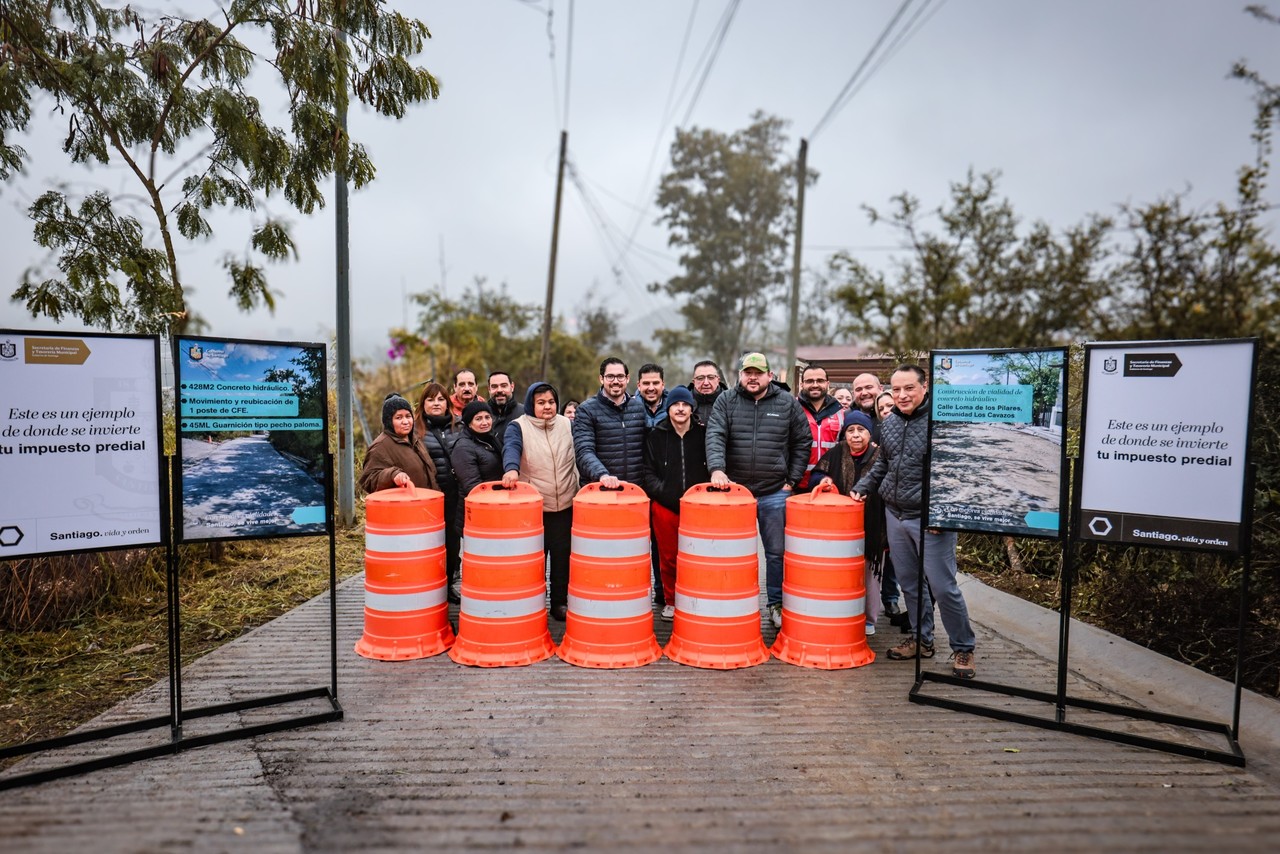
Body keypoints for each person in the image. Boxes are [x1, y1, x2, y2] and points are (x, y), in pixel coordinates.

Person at [852, 364, 977, 679]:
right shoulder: (890, 422)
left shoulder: (944, 425)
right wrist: (861, 489)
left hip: (930, 520)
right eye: (896, 389)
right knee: (910, 583)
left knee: (943, 586)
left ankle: (963, 647)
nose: (902, 395)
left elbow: (958, 474)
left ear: (925, 388)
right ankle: (922, 640)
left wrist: (942, 513)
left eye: (909, 388)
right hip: (895, 514)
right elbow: (884, 463)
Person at [705, 352, 811, 630]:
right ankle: (729, 603)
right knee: (729, 552)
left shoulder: (787, 402)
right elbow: (715, 434)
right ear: (740, 375)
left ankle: (775, 603)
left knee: (776, 553)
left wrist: (792, 480)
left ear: (770, 376)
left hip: (774, 490)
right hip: (734, 491)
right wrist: (717, 469)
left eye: (758, 372)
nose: (753, 377)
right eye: (747, 372)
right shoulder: (725, 401)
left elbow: (802, 441)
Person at [502, 382, 579, 622]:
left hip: (565, 503)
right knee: (533, 560)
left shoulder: (568, 424)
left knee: (561, 557)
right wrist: (511, 469)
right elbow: (511, 449)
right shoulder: (518, 427)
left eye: (551, 402)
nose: (547, 407)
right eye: (541, 402)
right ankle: (532, 603)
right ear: (530, 404)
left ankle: (559, 602)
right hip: (534, 508)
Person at [811, 409, 883, 635]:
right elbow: (815, 473)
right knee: (841, 570)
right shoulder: (836, 452)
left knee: (869, 572)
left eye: (861, 430)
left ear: (869, 434)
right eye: (850, 430)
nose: (855, 435)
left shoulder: (880, 455)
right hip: (839, 525)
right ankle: (841, 612)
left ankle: (869, 619)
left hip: (872, 521)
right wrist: (824, 479)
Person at [641, 386, 709, 621]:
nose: (680, 409)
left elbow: (712, 467)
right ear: (668, 408)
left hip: (698, 507)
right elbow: (648, 473)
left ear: (692, 408)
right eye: (675, 405)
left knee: (697, 556)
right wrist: (665, 494)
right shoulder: (656, 435)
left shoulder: (703, 434)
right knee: (668, 557)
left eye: (685, 405)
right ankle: (670, 600)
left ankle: (696, 598)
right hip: (665, 506)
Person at [414, 382, 463, 601]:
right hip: (429, 496)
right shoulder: (415, 429)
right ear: (423, 403)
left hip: (454, 496)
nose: (436, 403)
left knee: (452, 544)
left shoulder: (459, 426)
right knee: (430, 544)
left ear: (448, 403)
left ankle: (448, 585)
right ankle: (429, 588)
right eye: (431, 399)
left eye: (441, 399)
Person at [573, 356, 647, 488]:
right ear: (601, 379)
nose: (616, 381)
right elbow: (584, 450)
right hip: (601, 489)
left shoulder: (639, 408)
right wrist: (602, 475)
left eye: (620, 376)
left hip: (634, 489)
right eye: (610, 377)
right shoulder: (586, 410)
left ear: (627, 378)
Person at [360, 393, 439, 493]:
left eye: (408, 416)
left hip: (426, 503)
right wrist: (392, 475)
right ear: (389, 421)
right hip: (403, 506)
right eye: (399, 417)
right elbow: (369, 480)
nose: (405, 421)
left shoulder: (415, 439)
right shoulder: (380, 446)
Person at [449, 400, 502, 534]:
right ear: (469, 423)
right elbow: (472, 486)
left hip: (495, 507)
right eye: (478, 419)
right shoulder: (463, 447)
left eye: (487, 417)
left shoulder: (490, 439)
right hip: (478, 513)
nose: (485, 422)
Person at [796, 363, 844, 492]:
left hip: (828, 482)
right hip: (797, 483)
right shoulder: (792, 408)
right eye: (810, 381)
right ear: (802, 385)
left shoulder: (840, 412)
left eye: (820, 381)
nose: (815, 385)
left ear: (827, 383)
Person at [487, 370, 524, 443]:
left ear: (512, 387)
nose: (499, 390)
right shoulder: (481, 415)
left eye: (504, 386)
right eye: (494, 387)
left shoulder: (524, 414)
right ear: (489, 389)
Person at [687, 360, 726, 427]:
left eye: (711, 377)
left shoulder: (730, 401)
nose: (706, 383)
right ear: (694, 382)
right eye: (700, 378)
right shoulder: (683, 402)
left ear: (718, 380)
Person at [637, 363, 669, 428]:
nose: (651, 388)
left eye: (655, 383)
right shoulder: (628, 409)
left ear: (662, 385)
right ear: (639, 385)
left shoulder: (673, 409)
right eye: (646, 383)